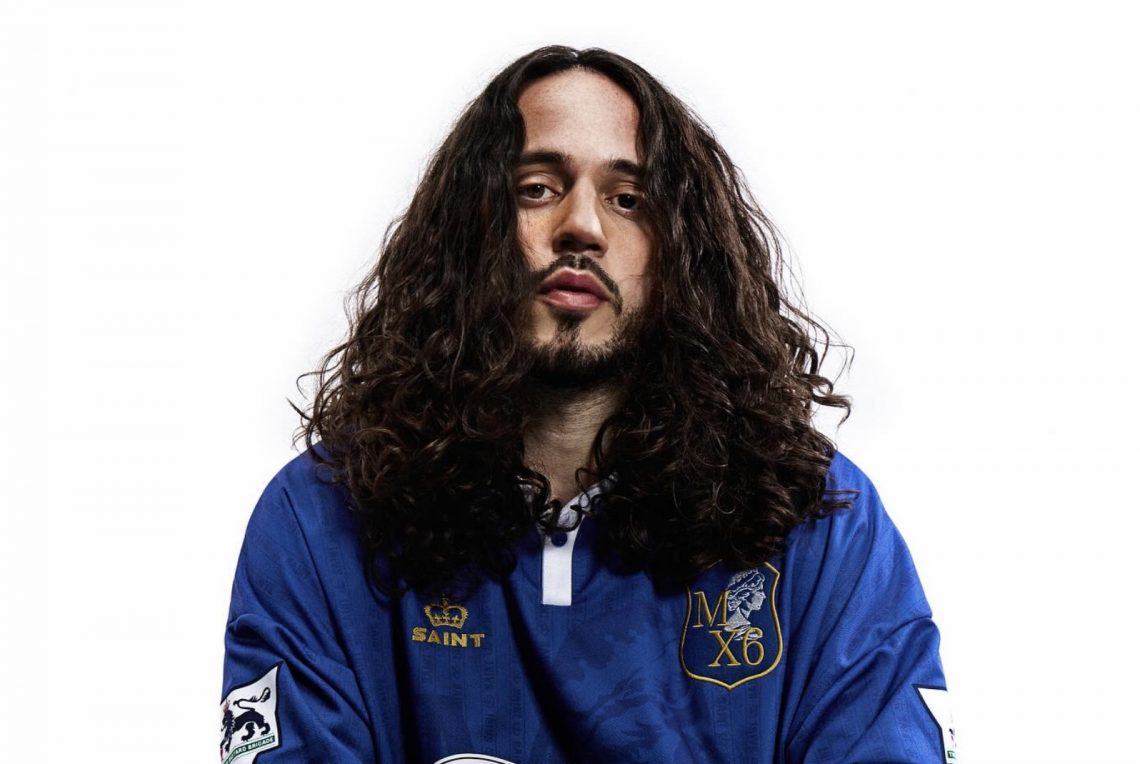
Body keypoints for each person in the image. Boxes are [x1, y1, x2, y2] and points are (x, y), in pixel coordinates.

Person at [221, 46, 955, 763]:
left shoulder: (823, 523)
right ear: (468, 232)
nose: (582, 226)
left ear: (683, 252)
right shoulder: (318, 520)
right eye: (536, 188)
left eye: (628, 199)